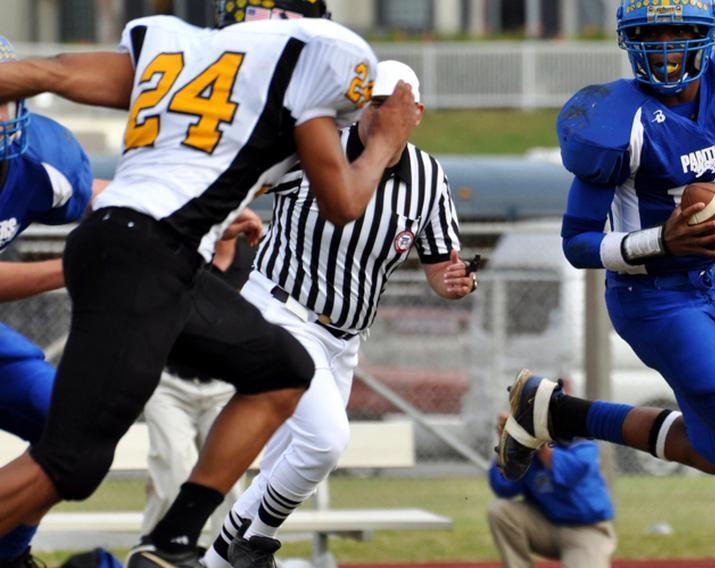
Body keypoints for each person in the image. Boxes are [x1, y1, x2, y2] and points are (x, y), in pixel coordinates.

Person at [0, 2, 417, 567]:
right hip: (148, 255)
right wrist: (387, 143)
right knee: (71, 464)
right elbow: (342, 203)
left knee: (280, 371)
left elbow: (52, 74)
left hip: (140, 250)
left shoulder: (185, 48)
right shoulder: (302, 63)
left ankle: (172, 543)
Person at [497, 2, 715, 568]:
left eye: (680, 31)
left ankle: (560, 414)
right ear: (630, 40)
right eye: (652, 32)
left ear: (707, 37)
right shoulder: (614, 121)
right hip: (651, 298)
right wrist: (661, 242)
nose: (666, 45)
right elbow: (577, 243)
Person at [202, 59, 473, 568]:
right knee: (326, 442)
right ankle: (256, 544)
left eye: (392, 104)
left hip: (344, 339)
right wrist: (228, 209)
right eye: (372, 101)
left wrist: (454, 283)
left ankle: (219, 560)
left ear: (417, 112)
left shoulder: (429, 177)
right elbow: (240, 181)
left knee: (285, 463)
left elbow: (440, 268)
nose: (380, 114)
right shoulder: (316, 148)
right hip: (281, 309)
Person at [0, 35, 98, 568]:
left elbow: (97, 195)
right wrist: (74, 266)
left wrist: (197, 214)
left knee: (70, 421)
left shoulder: (42, 159)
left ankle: (10, 555)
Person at [139, 237, 259, 544]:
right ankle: (157, 557)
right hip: (169, 383)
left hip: (226, 387)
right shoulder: (181, 248)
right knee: (172, 475)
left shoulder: (255, 259)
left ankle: (223, 561)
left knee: (228, 486)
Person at [488, 412, 616, 568]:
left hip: (586, 530)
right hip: (544, 526)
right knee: (499, 510)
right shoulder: (523, 449)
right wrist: (507, 445)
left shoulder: (578, 435)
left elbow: (571, 472)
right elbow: (504, 488)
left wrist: (540, 444)